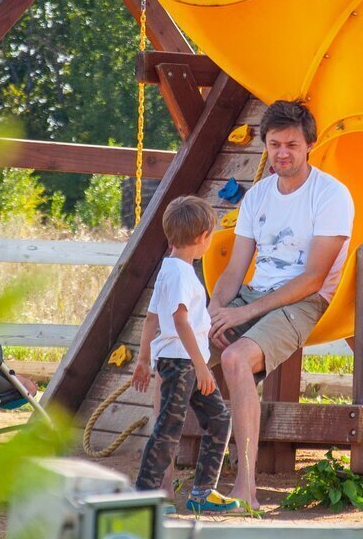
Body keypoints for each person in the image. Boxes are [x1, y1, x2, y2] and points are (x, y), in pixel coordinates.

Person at [208, 100, 355, 509]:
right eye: (274, 145)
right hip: (253, 296)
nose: (282, 153)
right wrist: (212, 312)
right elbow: (236, 270)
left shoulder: (331, 196)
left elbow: (312, 279)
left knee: (236, 359)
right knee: (176, 354)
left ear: (310, 144)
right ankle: (161, 485)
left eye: (291, 144)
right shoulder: (257, 195)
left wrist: (243, 313)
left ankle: (246, 488)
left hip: (304, 301)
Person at [132, 195, 239, 513]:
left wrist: (142, 359)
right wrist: (201, 366)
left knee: (219, 420)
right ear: (204, 238)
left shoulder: (170, 269)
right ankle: (144, 497)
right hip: (182, 364)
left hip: (183, 363)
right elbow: (178, 319)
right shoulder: (179, 274)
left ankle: (202, 492)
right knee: (168, 428)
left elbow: (151, 317)